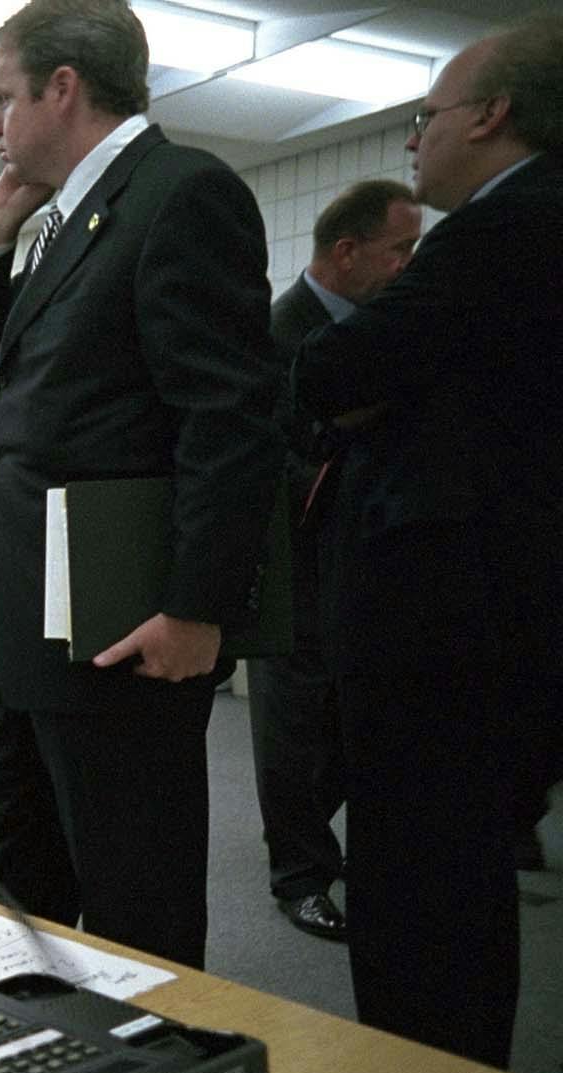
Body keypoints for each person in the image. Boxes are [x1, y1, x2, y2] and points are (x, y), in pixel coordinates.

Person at [0, 0, 282, 969]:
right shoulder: (61, 218)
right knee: (23, 870)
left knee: (134, 897)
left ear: (62, 88)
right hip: (29, 626)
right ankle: (27, 1068)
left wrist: (196, 607)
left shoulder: (179, 195)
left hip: (119, 627)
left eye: (1, 98)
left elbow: (228, 420)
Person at [291, 14, 563, 1068]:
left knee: (417, 884)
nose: (413, 142)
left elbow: (327, 377)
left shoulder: (506, 226)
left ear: (490, 116)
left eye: (425, 117)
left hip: (441, 631)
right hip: (500, 612)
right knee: (462, 870)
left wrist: (371, 389)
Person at [253, 181, 421, 944]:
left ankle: (315, 847)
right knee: (293, 731)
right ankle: (298, 877)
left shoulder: (380, 329)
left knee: (349, 724)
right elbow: (262, 457)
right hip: (295, 567)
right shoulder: (276, 335)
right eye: (400, 251)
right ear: (347, 253)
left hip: (366, 566)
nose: (407, 267)